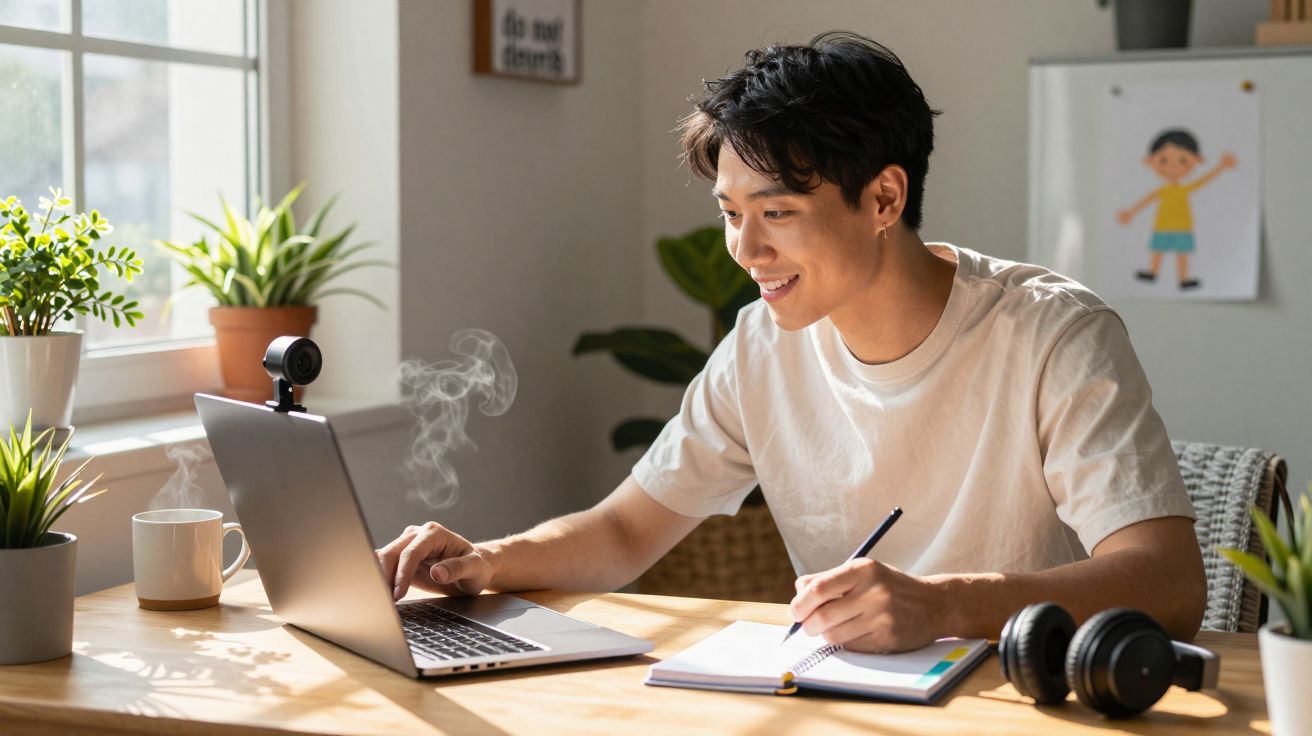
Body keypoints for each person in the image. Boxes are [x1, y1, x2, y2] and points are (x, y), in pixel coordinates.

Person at [378, 31, 1206, 653]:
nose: (745, 250)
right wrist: (488, 559)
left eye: (776, 213)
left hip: (1021, 698)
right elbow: (628, 532)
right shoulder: (760, 348)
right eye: (731, 215)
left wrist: (944, 604)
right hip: (845, 698)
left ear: (884, 198)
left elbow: (1169, 583)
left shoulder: (1053, 334)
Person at [1117, 128, 1237, 290]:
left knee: (1182, 254)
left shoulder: (1185, 189)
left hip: (1182, 227)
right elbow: (1146, 201)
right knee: (1157, 250)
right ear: (1149, 161)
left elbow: (1204, 180)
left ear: (1197, 160)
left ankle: (1183, 278)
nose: (1173, 167)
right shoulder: (1163, 191)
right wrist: (1130, 212)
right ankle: (1152, 272)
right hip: (1162, 226)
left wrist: (1221, 167)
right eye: (1164, 160)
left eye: (1182, 160)